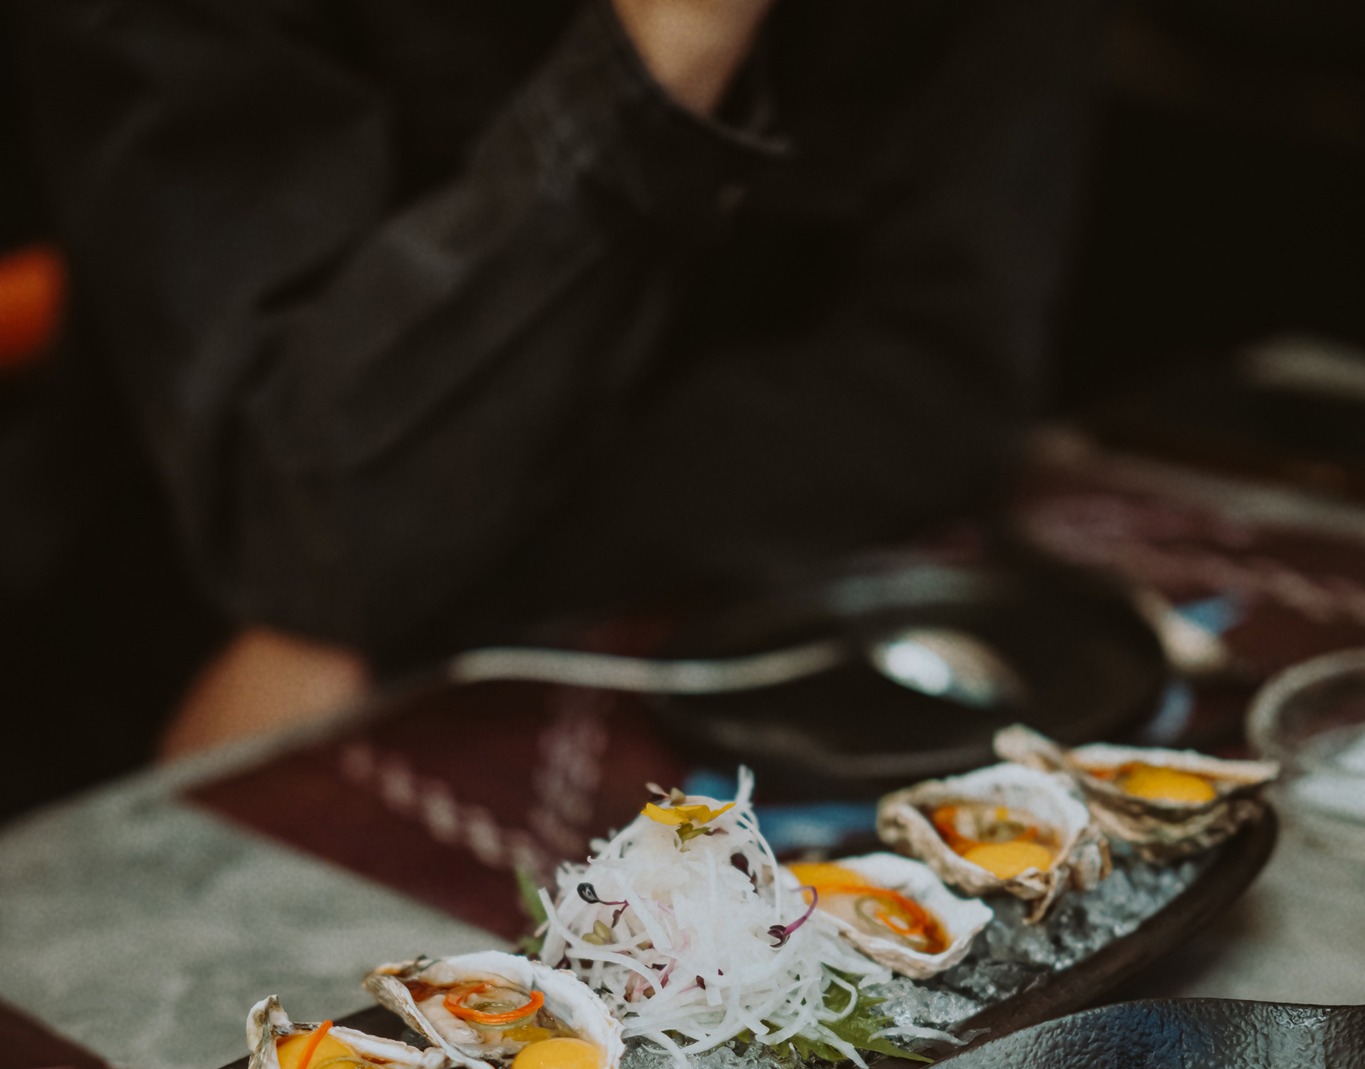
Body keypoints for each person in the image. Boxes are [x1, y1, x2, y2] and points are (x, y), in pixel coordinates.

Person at [13, 0, 1105, 758]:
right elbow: (301, 517)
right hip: (159, 676)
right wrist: (665, 52)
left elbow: (943, 371)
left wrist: (370, 607)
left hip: (656, 630)